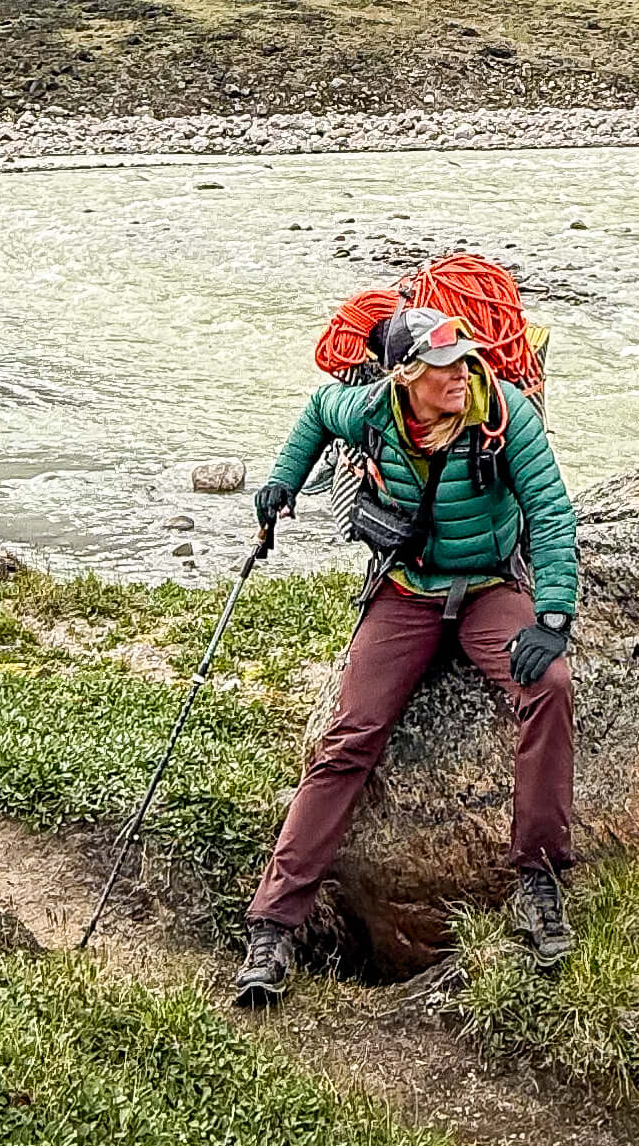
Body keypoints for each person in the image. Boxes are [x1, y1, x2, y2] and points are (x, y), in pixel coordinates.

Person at [233, 298, 580, 1006]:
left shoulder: (503, 413)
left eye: (467, 361)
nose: (462, 375)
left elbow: (549, 513)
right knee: (348, 737)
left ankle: (538, 881)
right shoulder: (371, 409)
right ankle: (273, 925)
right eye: (444, 366)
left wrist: (550, 616)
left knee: (549, 682)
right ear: (405, 376)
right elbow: (316, 411)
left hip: (488, 586)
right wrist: (282, 481)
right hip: (405, 589)